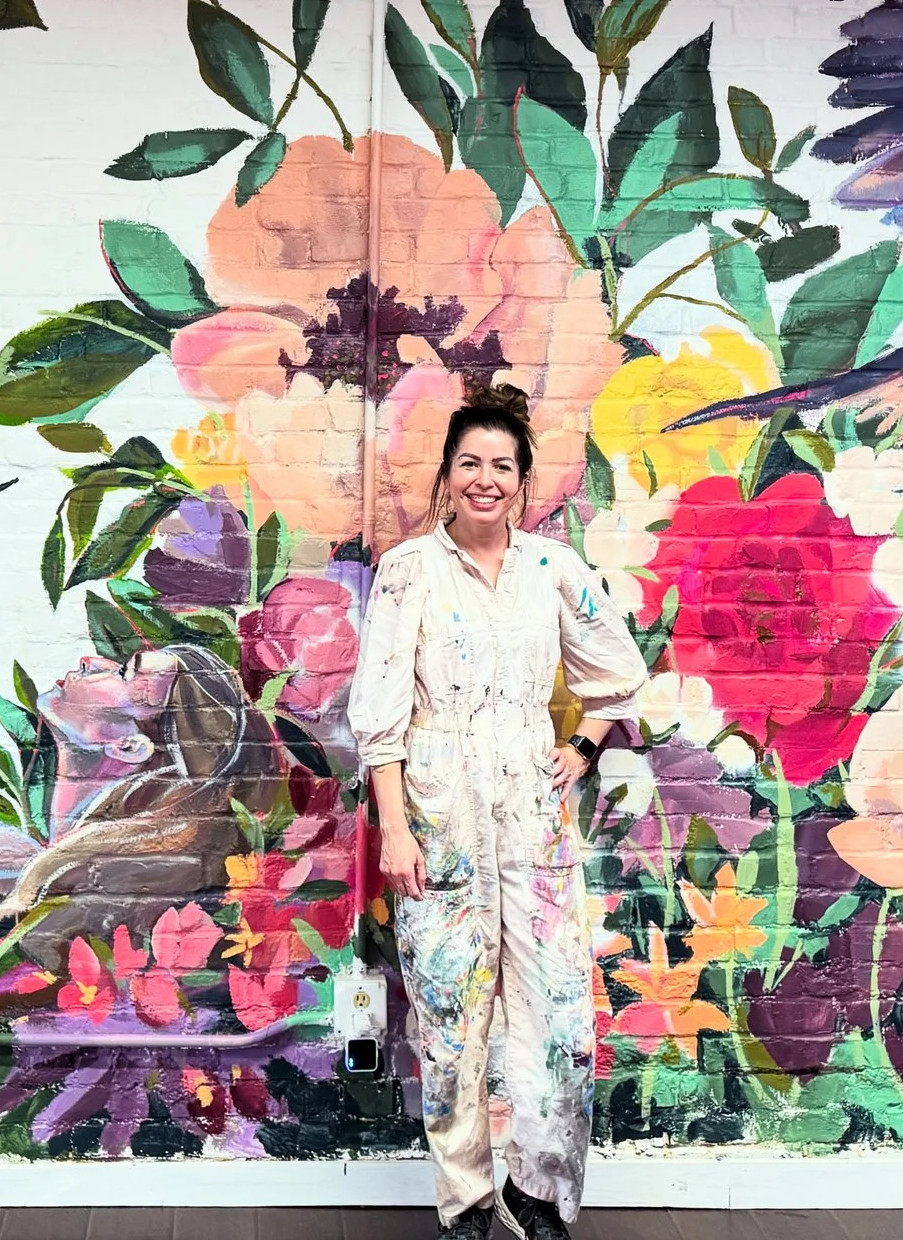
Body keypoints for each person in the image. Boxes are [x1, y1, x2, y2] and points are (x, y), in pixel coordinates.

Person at [348, 386, 647, 1240]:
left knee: (558, 1007)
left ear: (522, 481)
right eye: (470, 462)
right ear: (447, 474)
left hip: (531, 809)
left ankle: (538, 1188)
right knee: (451, 1013)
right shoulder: (410, 569)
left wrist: (582, 744)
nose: (486, 478)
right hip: (437, 810)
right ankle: (467, 1199)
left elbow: (617, 671)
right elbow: (380, 712)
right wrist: (395, 827)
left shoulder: (553, 569)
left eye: (502, 466)